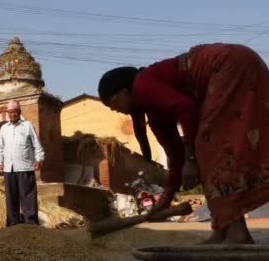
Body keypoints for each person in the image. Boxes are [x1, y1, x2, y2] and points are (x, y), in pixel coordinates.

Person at [97, 43, 269, 244]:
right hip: (238, 64)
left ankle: (237, 233)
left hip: (229, 65)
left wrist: (191, 158)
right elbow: (174, 153)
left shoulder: (143, 84)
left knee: (211, 149)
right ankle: (222, 230)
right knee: (209, 150)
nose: (113, 110)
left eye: (112, 102)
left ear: (125, 91)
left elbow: (187, 109)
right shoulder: (154, 110)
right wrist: (166, 198)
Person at [0, 100, 45, 226]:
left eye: (15, 112)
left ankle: (31, 223)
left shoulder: (27, 126)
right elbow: (0, 147)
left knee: (28, 196)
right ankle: (13, 224)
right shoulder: (3, 129)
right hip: (9, 169)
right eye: (11, 112)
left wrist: (39, 159)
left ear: (19, 112)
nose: (13, 114)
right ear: (8, 113)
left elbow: (36, 144)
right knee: (11, 198)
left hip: (25, 167)